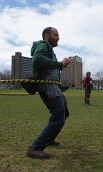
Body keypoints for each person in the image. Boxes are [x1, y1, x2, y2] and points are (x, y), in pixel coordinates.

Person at [26, 27, 71, 159]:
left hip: (54, 88)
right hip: (47, 88)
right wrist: (59, 64)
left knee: (64, 112)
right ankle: (35, 148)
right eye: (55, 35)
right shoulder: (43, 45)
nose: (58, 37)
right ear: (46, 36)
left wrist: (61, 65)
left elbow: (51, 69)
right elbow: (37, 61)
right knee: (58, 116)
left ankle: (49, 138)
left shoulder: (49, 49)